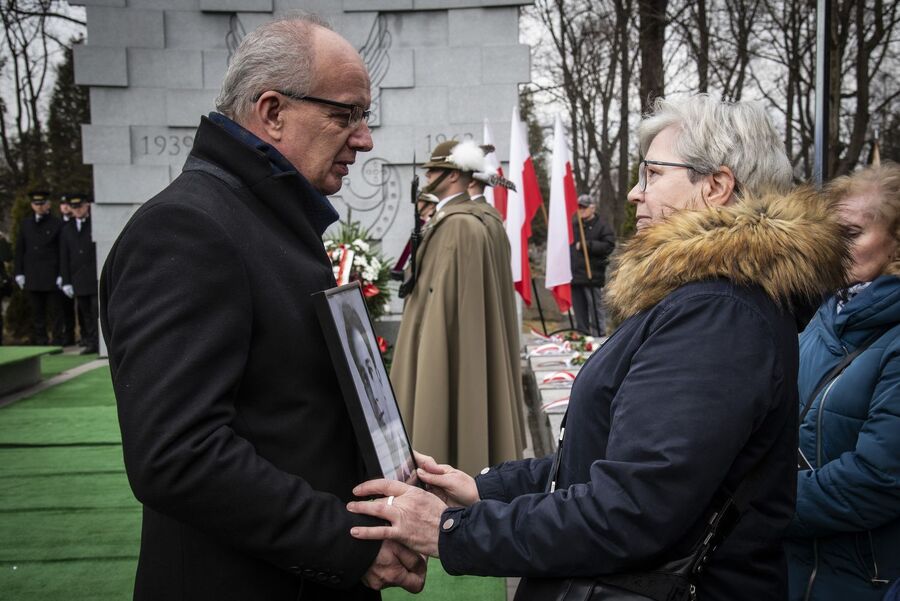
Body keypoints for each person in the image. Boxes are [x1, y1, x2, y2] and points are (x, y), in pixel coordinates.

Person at [346, 94, 851, 601]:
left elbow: (630, 509)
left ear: (716, 185)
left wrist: (451, 530)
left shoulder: (719, 314)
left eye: (652, 174)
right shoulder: (709, 299)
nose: (635, 192)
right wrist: (484, 490)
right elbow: (607, 457)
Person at [99, 15, 424, 601]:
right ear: (272, 111)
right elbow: (178, 453)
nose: (365, 138)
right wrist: (346, 543)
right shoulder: (187, 229)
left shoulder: (261, 217)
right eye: (345, 114)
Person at [785, 163, 900, 601]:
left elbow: (877, 480)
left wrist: (763, 502)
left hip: (862, 580)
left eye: (852, 233)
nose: (836, 246)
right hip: (797, 568)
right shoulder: (824, 312)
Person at [390, 139, 525, 476]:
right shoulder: (458, 219)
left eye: (433, 170)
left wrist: (429, 360)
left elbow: (444, 313)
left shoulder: (459, 225)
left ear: (451, 176)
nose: (427, 177)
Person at [341, 300, 413, 483]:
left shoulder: (399, 443)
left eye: (370, 369)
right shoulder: (376, 450)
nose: (372, 393)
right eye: (362, 376)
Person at [14, 190, 64, 345]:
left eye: (42, 203)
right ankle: (41, 340)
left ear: (47, 204)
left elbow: (62, 250)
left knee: (55, 312)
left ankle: (57, 340)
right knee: (37, 312)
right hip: (33, 274)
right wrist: (19, 272)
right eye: (36, 204)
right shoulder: (26, 224)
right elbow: (20, 249)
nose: (39, 207)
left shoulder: (56, 223)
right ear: (32, 205)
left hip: (51, 274)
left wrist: (62, 274)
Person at [570, 193, 615, 336]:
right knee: (579, 313)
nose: (581, 210)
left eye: (584, 207)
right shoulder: (575, 226)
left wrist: (587, 245)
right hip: (576, 276)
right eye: (579, 207)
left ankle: (598, 338)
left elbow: (608, 246)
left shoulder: (602, 226)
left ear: (592, 208)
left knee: (596, 311)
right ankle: (583, 338)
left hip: (592, 276)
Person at [59, 194, 98, 354]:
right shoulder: (67, 229)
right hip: (78, 278)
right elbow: (64, 256)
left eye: (80, 206)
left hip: (94, 277)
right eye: (74, 208)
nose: (77, 210)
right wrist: (66, 280)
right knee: (85, 314)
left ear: (87, 206)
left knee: (96, 312)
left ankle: (99, 343)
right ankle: (90, 342)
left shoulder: (94, 223)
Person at [57, 195, 77, 347]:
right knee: (63, 311)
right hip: (68, 275)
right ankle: (63, 337)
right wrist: (63, 277)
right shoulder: (61, 226)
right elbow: (61, 254)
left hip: (83, 276)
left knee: (87, 312)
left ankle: (89, 339)